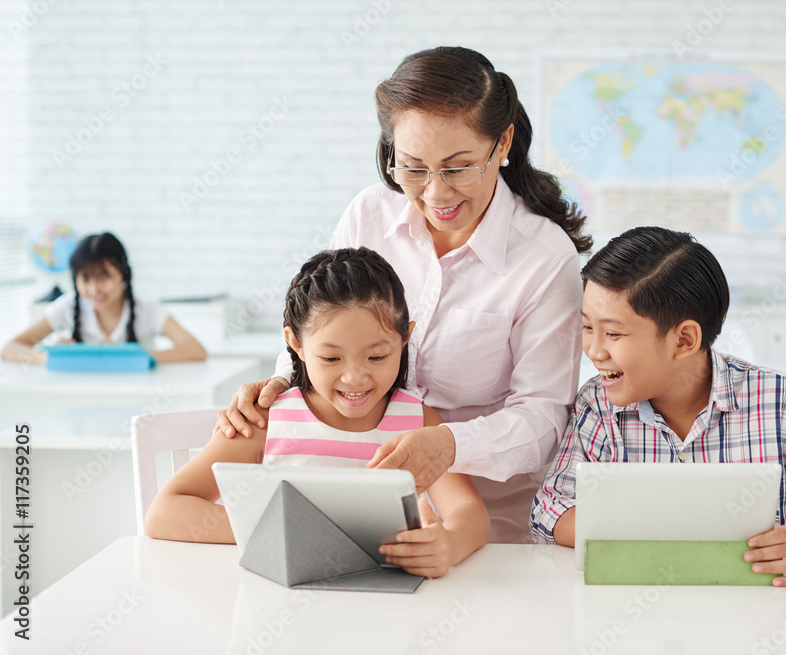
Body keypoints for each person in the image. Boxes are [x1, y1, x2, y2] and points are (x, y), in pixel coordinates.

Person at [215, 46, 591, 543]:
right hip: (358, 513)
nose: (436, 193)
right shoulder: (369, 214)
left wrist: (450, 445)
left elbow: (544, 419)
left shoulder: (544, 257)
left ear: (502, 143)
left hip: (486, 531)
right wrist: (282, 381)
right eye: (413, 168)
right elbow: (322, 316)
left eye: (457, 168)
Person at [530, 226, 786, 587]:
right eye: (587, 327)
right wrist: (647, 532)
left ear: (684, 340)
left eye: (613, 333)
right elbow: (551, 508)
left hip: (770, 610)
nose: (594, 350)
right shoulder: (598, 406)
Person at [145, 248, 490, 578]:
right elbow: (165, 511)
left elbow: (469, 512)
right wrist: (277, 531)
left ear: (404, 339)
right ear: (295, 343)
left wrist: (449, 545)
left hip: (386, 604)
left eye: (377, 356)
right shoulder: (265, 421)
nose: (355, 378)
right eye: (330, 358)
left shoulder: (420, 424)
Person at [1, 232, 206, 364]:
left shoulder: (147, 310)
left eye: (104, 277)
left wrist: (131, 356)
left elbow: (195, 349)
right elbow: (10, 347)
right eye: (85, 278)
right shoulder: (68, 306)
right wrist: (56, 357)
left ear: (123, 275)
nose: (94, 289)